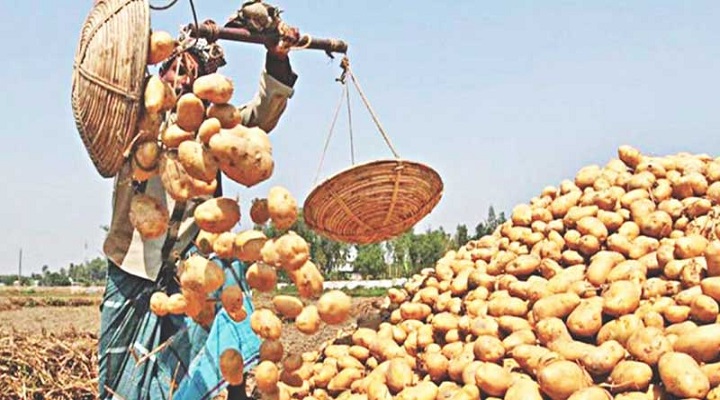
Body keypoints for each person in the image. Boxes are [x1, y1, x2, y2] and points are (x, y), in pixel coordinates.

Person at [98, 18, 299, 400]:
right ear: (158, 74)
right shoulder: (137, 120)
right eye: (172, 67)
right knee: (116, 363)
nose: (178, 77)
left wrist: (276, 57)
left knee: (202, 354)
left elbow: (259, 117)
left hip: (189, 266)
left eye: (188, 71)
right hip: (132, 260)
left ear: (201, 83)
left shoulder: (214, 129)